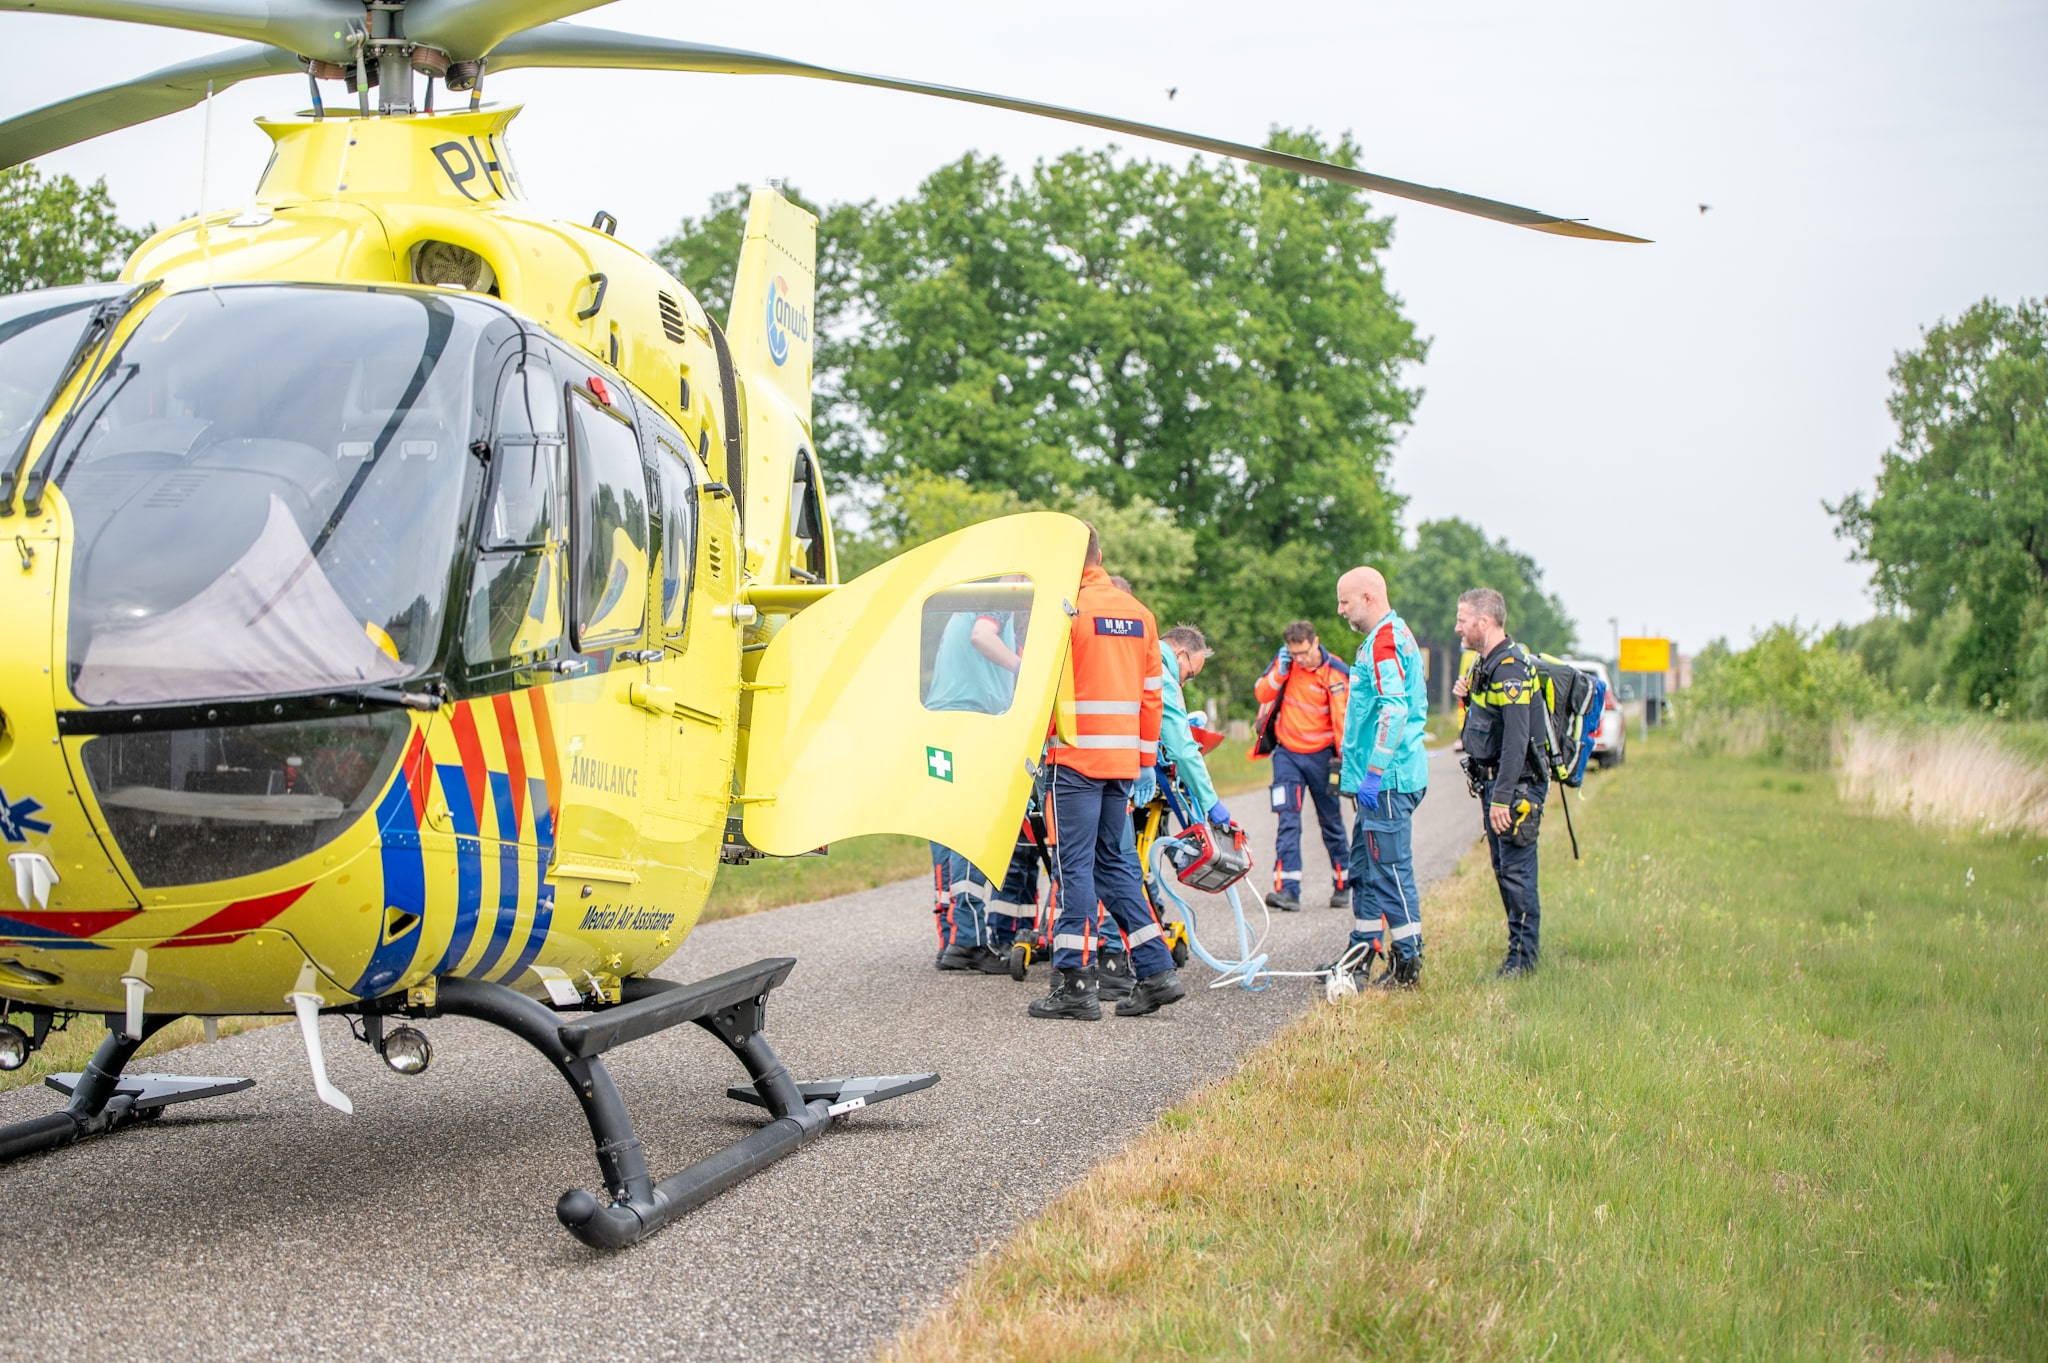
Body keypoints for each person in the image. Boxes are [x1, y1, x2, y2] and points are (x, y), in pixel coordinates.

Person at [1029, 527, 1187, 1021]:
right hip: (1120, 764)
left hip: (1075, 761)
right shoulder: (1139, 614)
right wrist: (1142, 761)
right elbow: (1151, 697)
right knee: (1113, 864)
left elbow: (1042, 687)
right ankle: (1157, 970)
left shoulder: (1066, 611)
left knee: (1074, 867)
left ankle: (1074, 983)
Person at [1333, 566, 1430, 988]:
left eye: (1345, 601)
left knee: (1389, 870)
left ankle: (1407, 962)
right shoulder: (1383, 638)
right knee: (1365, 870)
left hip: (1387, 781)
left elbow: (1394, 709)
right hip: (1375, 783)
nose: (1340, 611)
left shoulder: (1385, 642)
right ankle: (1361, 951)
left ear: (1368, 597)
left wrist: (1373, 773)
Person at [925, 594, 1024, 973]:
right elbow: (983, 637)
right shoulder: (1002, 598)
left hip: (940, 725)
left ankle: (951, 940)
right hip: (970, 724)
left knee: (947, 832)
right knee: (971, 830)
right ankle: (969, 941)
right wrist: (1024, 668)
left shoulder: (965, 604)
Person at [1454, 586, 1547, 977]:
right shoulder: (1485, 663)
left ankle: (1523, 962)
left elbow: (1515, 739)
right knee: (1503, 870)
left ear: (1484, 621)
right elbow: (1487, 728)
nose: (1457, 628)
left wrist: (1502, 798)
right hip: (1496, 785)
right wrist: (1466, 698)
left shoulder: (1509, 668)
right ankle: (1517, 954)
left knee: (1517, 873)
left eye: (1462, 620)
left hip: (1515, 788)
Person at [1253, 621, 1352, 913]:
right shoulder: (1284, 664)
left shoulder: (1336, 670)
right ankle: (1288, 890)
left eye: (1304, 653)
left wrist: (1345, 758)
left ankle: (1343, 885)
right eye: (1294, 654)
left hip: (1323, 757)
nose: (1300, 659)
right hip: (1287, 755)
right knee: (1287, 820)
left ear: (1315, 642)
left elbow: (1347, 718)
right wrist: (1280, 671)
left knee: (1331, 821)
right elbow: (1262, 694)